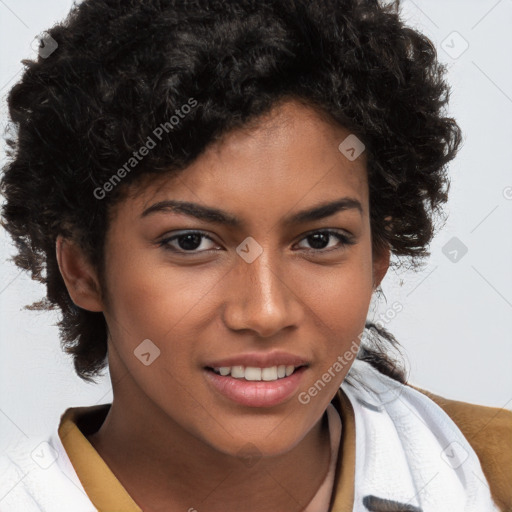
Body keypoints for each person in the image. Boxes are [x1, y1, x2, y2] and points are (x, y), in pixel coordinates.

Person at [0, 0, 510, 511]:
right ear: (82, 268)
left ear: (378, 255)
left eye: (320, 239)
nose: (266, 312)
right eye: (191, 242)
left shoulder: (490, 474)